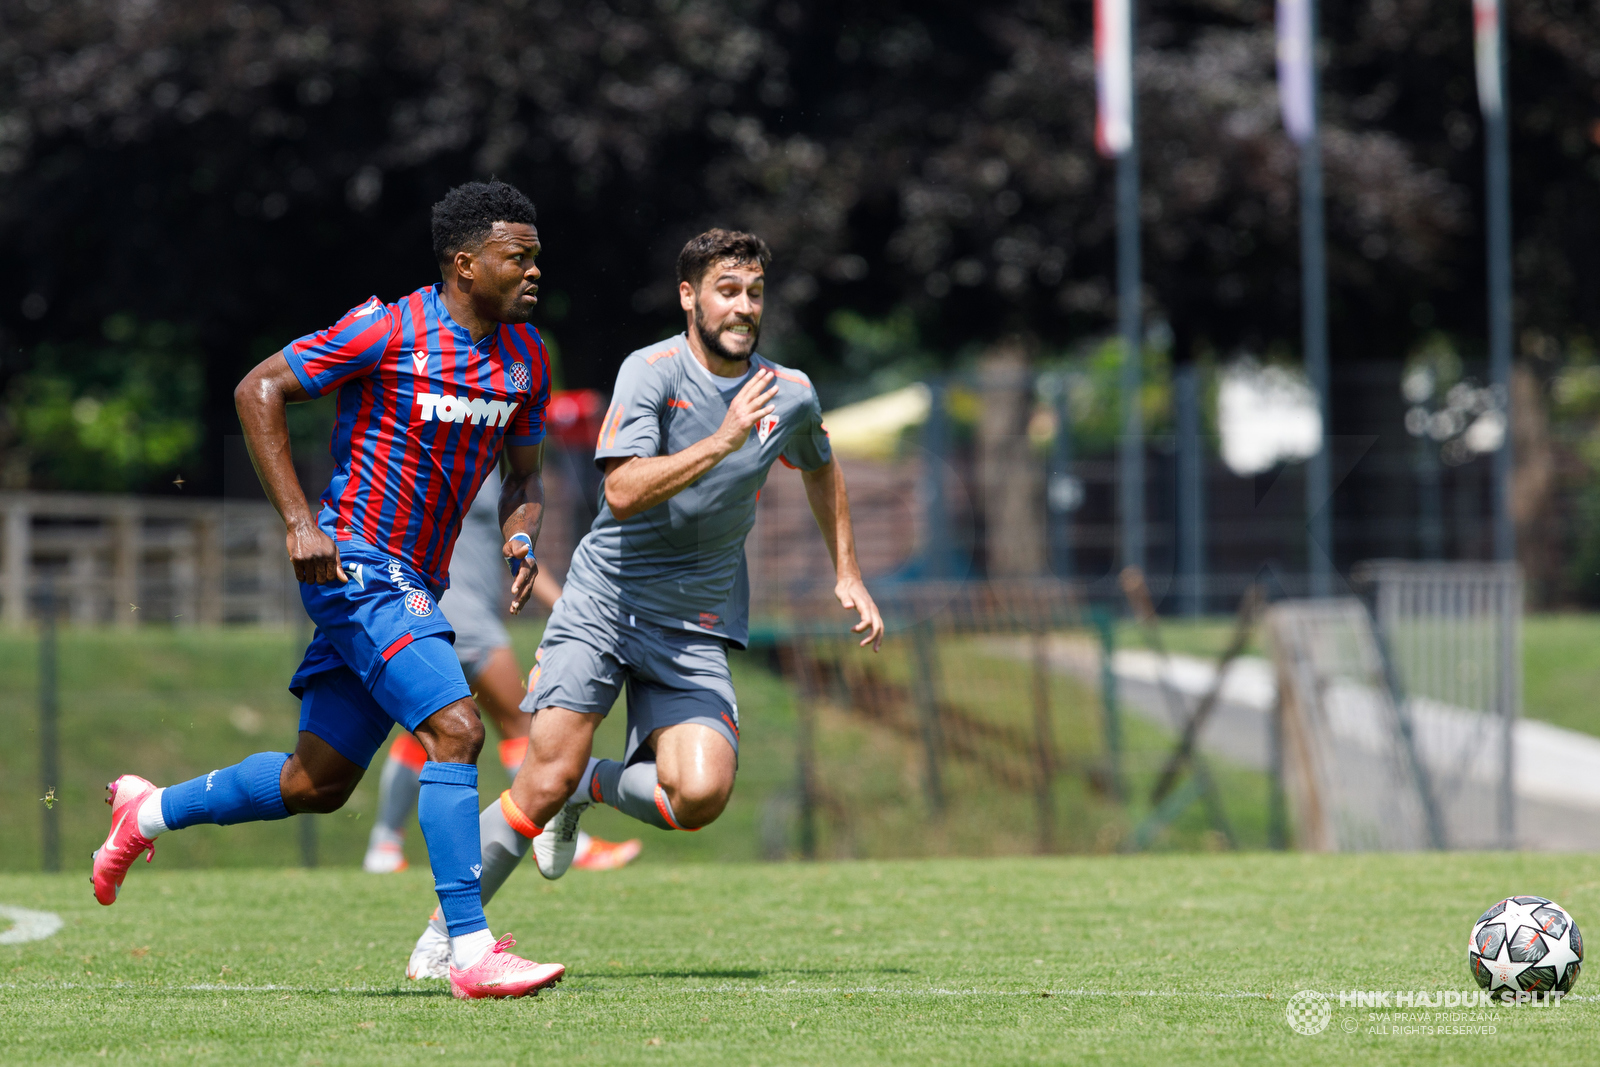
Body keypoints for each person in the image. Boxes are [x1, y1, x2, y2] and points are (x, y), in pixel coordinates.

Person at [92, 180, 568, 1001]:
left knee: (318, 782)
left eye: (535, 259)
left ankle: (148, 811)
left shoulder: (527, 360)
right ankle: (469, 948)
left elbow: (524, 476)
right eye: (516, 258)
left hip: (418, 576)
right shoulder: (388, 328)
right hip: (356, 564)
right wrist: (297, 520)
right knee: (456, 728)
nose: (533, 272)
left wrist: (524, 533)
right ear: (465, 263)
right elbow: (258, 389)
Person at [404, 228, 883, 978]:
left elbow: (821, 466)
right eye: (728, 290)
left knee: (699, 794)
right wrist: (725, 438)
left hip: (695, 625)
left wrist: (847, 572)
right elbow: (622, 491)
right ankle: (443, 939)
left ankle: (590, 788)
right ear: (690, 296)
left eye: (755, 292)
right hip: (605, 605)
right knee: (541, 773)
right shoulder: (650, 372)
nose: (745, 306)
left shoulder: (789, 392)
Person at [364, 467, 640, 876]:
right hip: (463, 618)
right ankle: (561, 836)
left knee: (426, 732)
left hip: (433, 614)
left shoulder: (484, 465)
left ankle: (384, 846)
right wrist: (572, 611)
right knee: (519, 723)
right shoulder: (462, 462)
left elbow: (517, 554)